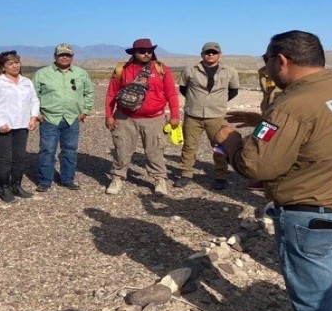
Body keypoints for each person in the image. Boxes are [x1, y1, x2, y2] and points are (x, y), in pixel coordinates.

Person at [216, 30, 332, 311]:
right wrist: (262, 122)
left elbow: (257, 166)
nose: (267, 68)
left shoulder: (291, 105)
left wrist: (231, 142)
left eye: (267, 61)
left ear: (281, 60)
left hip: (314, 218)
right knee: (324, 283)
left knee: (311, 302)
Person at [104, 38, 180, 196]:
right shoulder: (122, 69)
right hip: (125, 117)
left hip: (154, 118)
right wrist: (109, 115)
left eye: (149, 51)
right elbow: (111, 93)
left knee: (155, 150)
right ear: (134, 53)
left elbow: (171, 93)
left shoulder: (161, 69)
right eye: (142, 51)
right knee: (122, 148)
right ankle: (117, 177)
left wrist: (175, 115)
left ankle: (159, 179)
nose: (146, 54)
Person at [175, 41, 239, 191]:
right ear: (202, 54)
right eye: (207, 52)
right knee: (189, 146)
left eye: (214, 52)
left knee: (219, 147)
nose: (211, 55)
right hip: (193, 115)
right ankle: (186, 174)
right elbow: (183, 89)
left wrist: (218, 102)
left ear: (220, 55)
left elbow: (234, 91)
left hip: (216, 116)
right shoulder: (190, 70)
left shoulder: (230, 71)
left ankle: (221, 176)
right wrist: (196, 101)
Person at [32, 43, 95, 192]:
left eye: (68, 55)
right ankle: (45, 181)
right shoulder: (42, 73)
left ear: (72, 56)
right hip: (49, 118)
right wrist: (37, 114)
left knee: (69, 150)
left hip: (72, 118)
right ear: (55, 56)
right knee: (47, 150)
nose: (65, 57)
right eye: (61, 55)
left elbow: (89, 93)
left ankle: (67, 179)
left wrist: (85, 111)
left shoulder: (81, 73)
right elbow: (33, 95)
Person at [0, 50, 40, 203]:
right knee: (5, 158)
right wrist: (0, 122)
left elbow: (34, 100)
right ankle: (4, 187)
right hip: (1, 128)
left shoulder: (26, 82)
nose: (15, 66)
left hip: (21, 126)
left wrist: (33, 117)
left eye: (16, 62)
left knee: (20, 158)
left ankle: (17, 185)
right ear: (2, 67)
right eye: (10, 63)